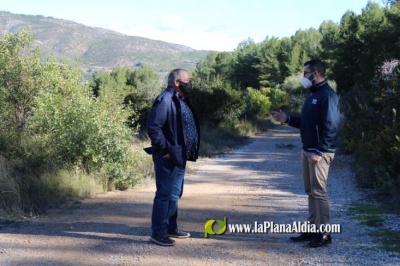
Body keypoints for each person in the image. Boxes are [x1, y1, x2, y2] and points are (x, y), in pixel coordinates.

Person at [271, 59, 340, 248]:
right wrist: (287, 119)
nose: (303, 77)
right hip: (307, 150)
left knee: (319, 192)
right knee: (311, 192)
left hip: (319, 153)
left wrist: (320, 150)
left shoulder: (328, 95)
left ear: (315, 73)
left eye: (305, 73)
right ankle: (312, 230)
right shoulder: (312, 95)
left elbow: (331, 127)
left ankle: (324, 234)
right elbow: (307, 123)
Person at [145, 68, 200, 246]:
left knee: (175, 194)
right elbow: (154, 127)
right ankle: (158, 233)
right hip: (168, 156)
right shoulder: (165, 99)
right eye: (187, 80)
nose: (190, 83)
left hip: (180, 156)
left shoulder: (180, 99)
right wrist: (165, 149)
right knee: (164, 194)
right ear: (177, 82)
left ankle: (170, 227)